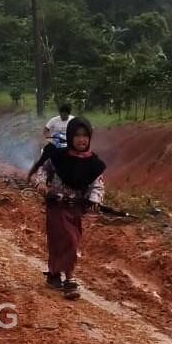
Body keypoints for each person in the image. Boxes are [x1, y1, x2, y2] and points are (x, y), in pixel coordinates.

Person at [29, 117, 105, 297]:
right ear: (70, 136)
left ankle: (54, 273)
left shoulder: (93, 163)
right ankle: (69, 280)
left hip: (77, 208)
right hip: (56, 206)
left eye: (85, 136)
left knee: (66, 240)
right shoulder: (57, 157)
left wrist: (95, 200)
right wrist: (43, 188)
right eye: (77, 135)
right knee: (69, 240)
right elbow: (40, 174)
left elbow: (98, 185)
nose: (81, 139)